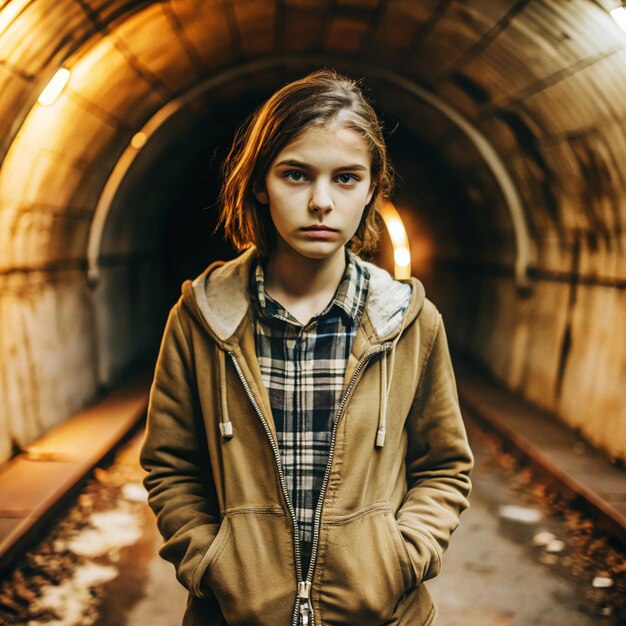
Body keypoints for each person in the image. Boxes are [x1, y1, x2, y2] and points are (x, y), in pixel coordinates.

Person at [140, 68, 473, 626]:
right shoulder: (200, 319)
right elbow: (171, 465)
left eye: (345, 178)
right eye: (296, 175)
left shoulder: (410, 322)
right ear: (259, 185)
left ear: (371, 190)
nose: (321, 201)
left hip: (382, 615)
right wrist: (210, 563)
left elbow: (444, 467)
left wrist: (403, 557)